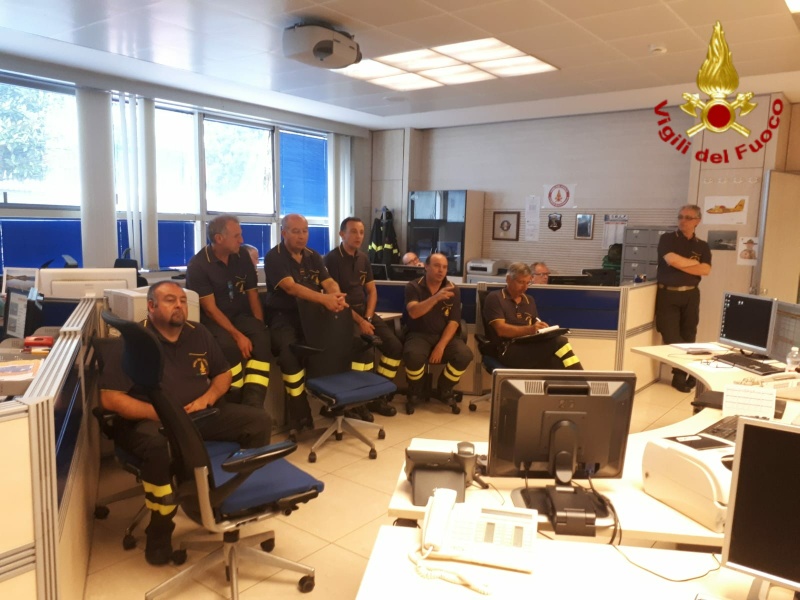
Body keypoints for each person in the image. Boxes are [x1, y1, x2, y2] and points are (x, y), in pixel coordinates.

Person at [99, 281, 271, 566]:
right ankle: (160, 528)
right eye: (170, 300)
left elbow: (223, 374)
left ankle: (226, 501)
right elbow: (110, 398)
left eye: (182, 300)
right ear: (151, 306)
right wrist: (159, 412)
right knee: (158, 449)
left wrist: (208, 398)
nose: (179, 305)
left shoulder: (198, 332)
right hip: (153, 421)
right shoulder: (135, 341)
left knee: (259, 422)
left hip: (200, 413)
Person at [263, 214, 348, 433]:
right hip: (284, 317)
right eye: (296, 231)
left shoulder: (313, 255)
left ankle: (335, 405)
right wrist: (325, 299)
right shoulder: (274, 257)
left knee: (336, 346)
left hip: (312, 315)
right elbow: (291, 288)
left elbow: (328, 281)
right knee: (289, 357)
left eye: (305, 231)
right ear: (284, 233)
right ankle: (299, 412)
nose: (302, 236)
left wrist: (336, 295)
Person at [186, 215, 270, 409]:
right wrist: (238, 336)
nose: (241, 240)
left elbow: (252, 293)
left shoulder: (242, 256)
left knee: (262, 338)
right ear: (219, 238)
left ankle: (253, 406)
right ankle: (234, 404)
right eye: (236, 236)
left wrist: (258, 324)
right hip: (213, 321)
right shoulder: (198, 265)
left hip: (239, 316)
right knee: (229, 348)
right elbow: (210, 309)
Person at [324, 217, 401, 417]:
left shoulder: (363, 258)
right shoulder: (332, 259)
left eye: (361, 232)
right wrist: (360, 322)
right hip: (342, 314)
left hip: (365, 312)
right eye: (353, 231)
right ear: (342, 234)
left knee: (394, 346)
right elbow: (337, 298)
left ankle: (379, 396)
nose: (358, 236)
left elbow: (372, 291)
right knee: (363, 351)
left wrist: (367, 318)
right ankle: (358, 403)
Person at [403, 252, 473, 413]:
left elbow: (454, 321)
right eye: (436, 266)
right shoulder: (413, 286)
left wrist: (441, 346)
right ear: (426, 267)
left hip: (444, 336)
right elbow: (413, 312)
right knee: (413, 356)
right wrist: (436, 298)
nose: (441, 270)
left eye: (445, 267)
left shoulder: (453, 289)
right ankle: (416, 389)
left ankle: (445, 388)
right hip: (418, 334)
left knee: (465, 355)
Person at [483, 262, 583, 369]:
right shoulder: (495, 298)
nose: (525, 287)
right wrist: (530, 329)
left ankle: (579, 379)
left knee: (557, 362)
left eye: (528, 283)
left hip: (528, 346)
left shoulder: (529, 300)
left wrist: (543, 330)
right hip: (507, 350)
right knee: (560, 341)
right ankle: (582, 378)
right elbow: (501, 330)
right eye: (521, 282)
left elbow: (535, 324)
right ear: (508, 279)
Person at [656, 204, 712, 392]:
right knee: (671, 336)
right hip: (668, 294)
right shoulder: (667, 239)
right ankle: (686, 370)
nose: (683, 221)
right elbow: (671, 260)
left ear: (697, 221)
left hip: (691, 294)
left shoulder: (702, 245)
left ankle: (681, 376)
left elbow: (706, 270)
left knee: (689, 334)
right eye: (680, 217)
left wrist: (683, 264)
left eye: (688, 218)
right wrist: (694, 264)